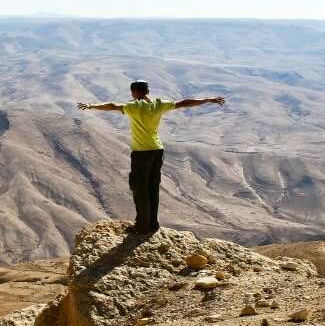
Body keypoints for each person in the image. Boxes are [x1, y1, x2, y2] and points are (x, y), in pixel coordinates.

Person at [77, 80, 225, 235]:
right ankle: (153, 224)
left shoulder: (133, 107)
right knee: (152, 188)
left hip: (141, 153)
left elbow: (112, 106)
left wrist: (92, 106)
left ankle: (141, 227)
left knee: (140, 189)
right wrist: (208, 100)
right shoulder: (158, 104)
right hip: (157, 150)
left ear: (134, 92)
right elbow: (184, 103)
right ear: (147, 91)